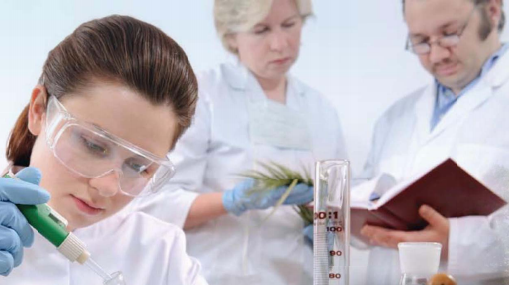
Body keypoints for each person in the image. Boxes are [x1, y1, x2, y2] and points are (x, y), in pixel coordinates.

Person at [130, 0, 347, 284]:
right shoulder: (202, 95)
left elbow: (342, 203)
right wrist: (232, 201)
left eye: (290, 25)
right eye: (261, 30)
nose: (280, 44)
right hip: (215, 275)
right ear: (231, 35)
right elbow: (154, 202)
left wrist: (328, 222)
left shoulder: (321, 110)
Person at [1, 15, 207, 285]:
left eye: (138, 166)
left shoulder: (161, 253)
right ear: (39, 110)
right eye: (93, 145)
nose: (109, 187)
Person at [358, 0, 509, 283]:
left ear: (492, 11)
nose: (437, 55)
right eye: (421, 42)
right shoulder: (393, 119)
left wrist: (460, 243)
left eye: (449, 33)